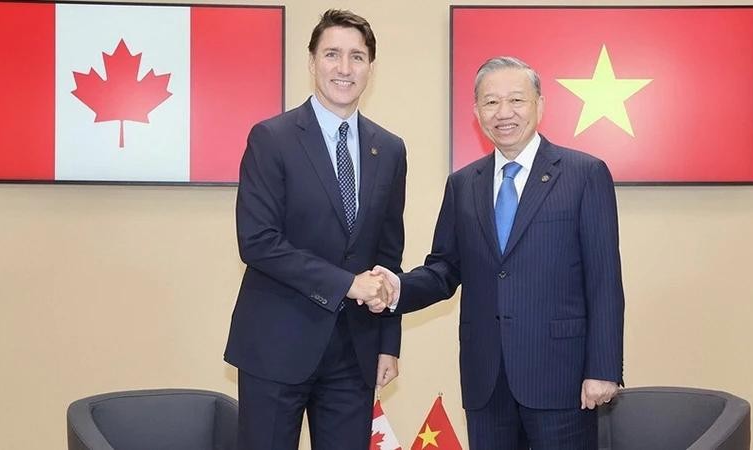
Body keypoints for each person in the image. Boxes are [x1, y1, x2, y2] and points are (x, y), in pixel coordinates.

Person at [372, 57, 624, 449]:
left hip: (563, 380)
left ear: (539, 104)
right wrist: (398, 287)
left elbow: (604, 279)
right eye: (490, 102)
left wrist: (604, 369)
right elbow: (444, 269)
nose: (503, 113)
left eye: (516, 100)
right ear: (476, 113)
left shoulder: (583, 174)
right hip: (486, 381)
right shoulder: (462, 184)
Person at [223, 9, 406, 450]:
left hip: (354, 354)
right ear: (312, 62)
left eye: (357, 57)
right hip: (276, 345)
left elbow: (388, 255)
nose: (344, 68)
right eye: (332, 54)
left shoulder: (391, 149)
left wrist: (389, 342)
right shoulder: (272, 138)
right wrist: (347, 285)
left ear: (370, 68)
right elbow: (259, 242)